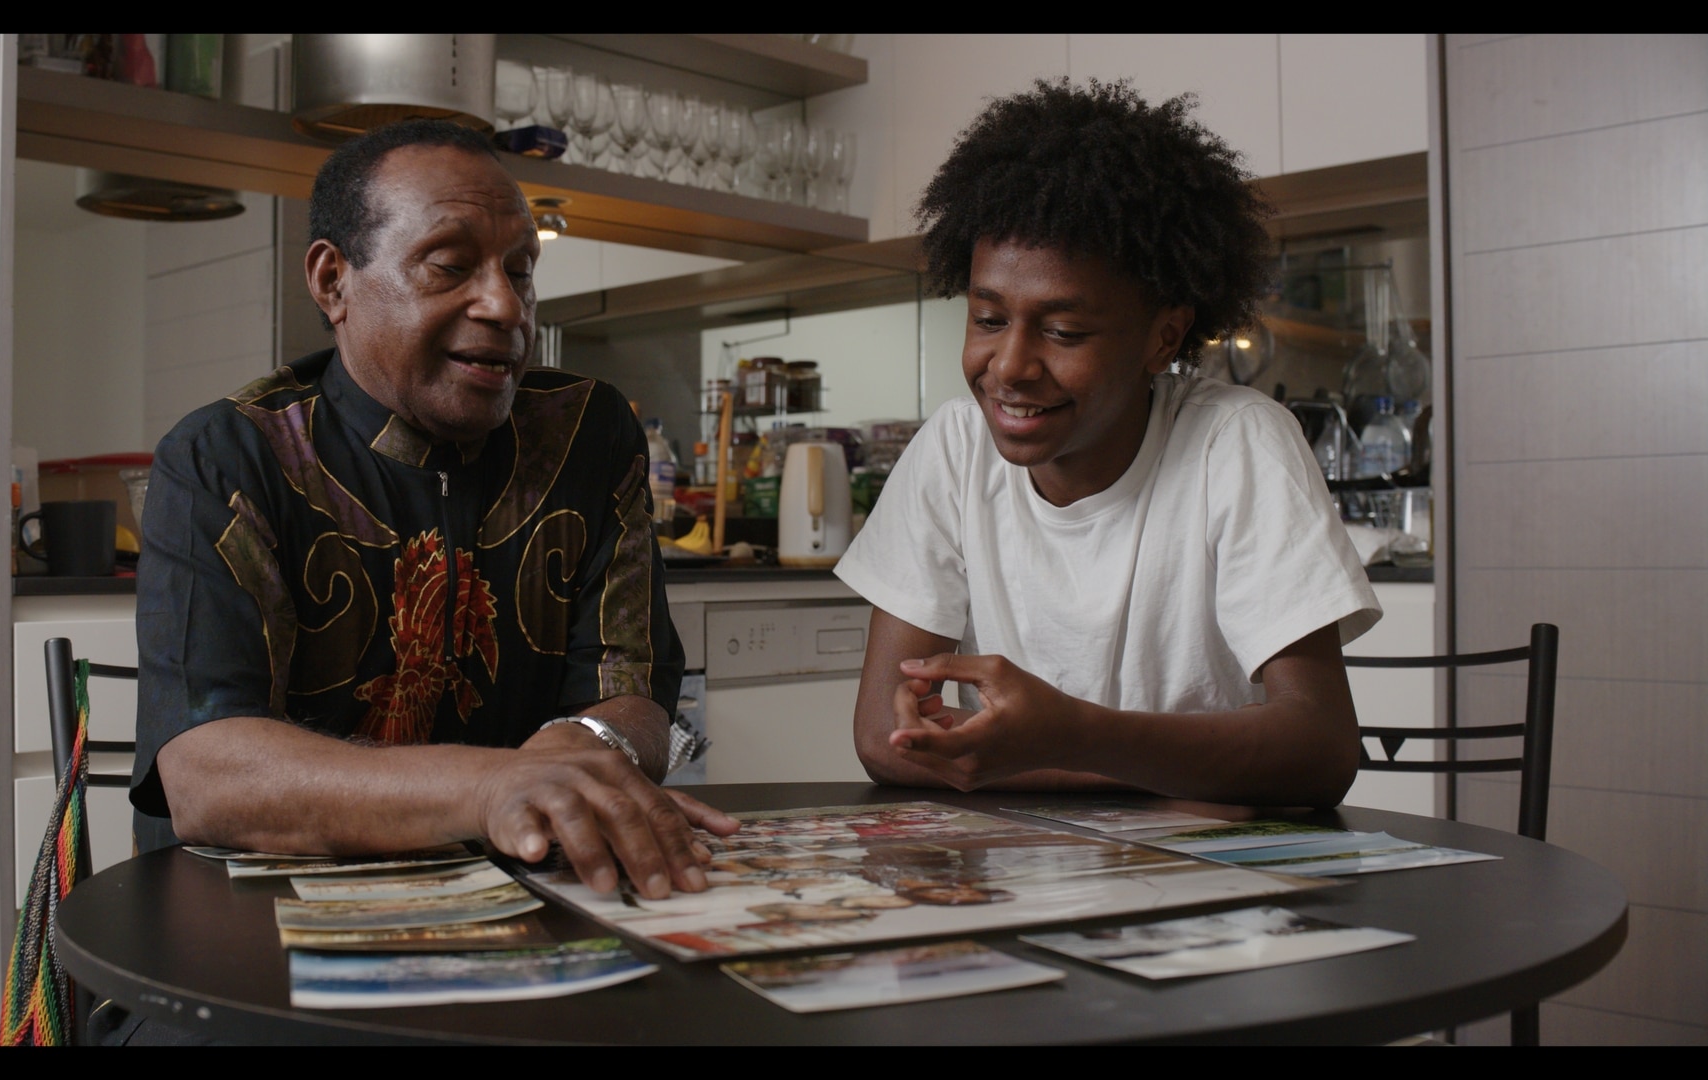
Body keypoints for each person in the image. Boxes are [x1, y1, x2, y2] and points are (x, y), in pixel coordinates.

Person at [129, 118, 738, 906]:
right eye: (451, 266)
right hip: (251, 929)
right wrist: (494, 785)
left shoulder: (586, 435)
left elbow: (635, 693)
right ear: (331, 281)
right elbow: (209, 775)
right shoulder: (229, 458)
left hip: (523, 898)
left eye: (521, 272)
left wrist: (582, 744)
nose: (505, 306)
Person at [835, 79, 1379, 807]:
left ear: (1164, 336)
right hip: (1024, 882)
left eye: (1064, 332)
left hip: (1209, 891)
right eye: (989, 319)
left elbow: (1321, 747)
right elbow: (880, 735)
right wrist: (1098, 756)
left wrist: (1073, 736)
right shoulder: (952, 448)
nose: (1011, 367)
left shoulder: (1235, 444)